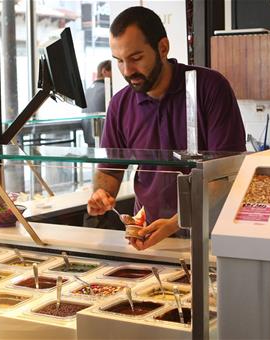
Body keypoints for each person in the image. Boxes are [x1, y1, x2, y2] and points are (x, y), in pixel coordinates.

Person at [87, 7, 246, 250]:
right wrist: (101, 194)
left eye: (136, 58)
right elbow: (110, 170)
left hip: (209, 236)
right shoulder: (120, 104)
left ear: (162, 47)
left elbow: (226, 176)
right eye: (119, 61)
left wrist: (176, 223)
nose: (127, 71)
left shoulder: (210, 88)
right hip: (148, 235)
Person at [81, 60, 112, 147]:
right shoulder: (108, 89)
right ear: (104, 71)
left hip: (88, 137)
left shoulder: (88, 90)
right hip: (103, 138)